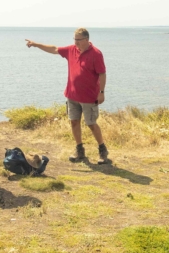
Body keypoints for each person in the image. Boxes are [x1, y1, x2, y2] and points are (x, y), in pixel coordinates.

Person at [25, 28, 110, 164]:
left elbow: (102, 74)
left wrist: (101, 92)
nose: (76, 42)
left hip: (89, 97)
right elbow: (54, 49)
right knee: (74, 122)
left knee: (91, 124)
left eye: (78, 40)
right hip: (72, 95)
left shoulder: (96, 54)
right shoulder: (71, 50)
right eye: (74, 39)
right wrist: (36, 44)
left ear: (87, 40)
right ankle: (79, 150)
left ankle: (102, 150)